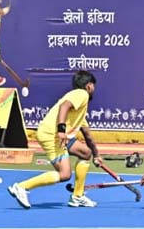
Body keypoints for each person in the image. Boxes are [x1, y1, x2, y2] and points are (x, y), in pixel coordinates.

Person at [7, 70, 102, 209]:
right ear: (88, 85)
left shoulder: (79, 109)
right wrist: (61, 130)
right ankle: (21, 187)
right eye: (93, 85)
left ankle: (77, 196)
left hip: (57, 136)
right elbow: (64, 106)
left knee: (86, 153)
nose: (94, 89)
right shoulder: (81, 94)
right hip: (52, 134)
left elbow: (88, 135)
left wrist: (96, 155)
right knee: (65, 174)